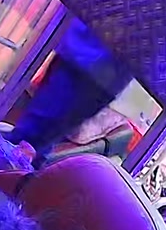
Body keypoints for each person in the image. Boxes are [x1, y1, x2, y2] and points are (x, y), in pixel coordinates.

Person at [7, 20, 133, 165]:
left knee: (33, 137)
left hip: (92, 62)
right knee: (36, 136)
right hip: (90, 56)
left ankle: (10, 167)